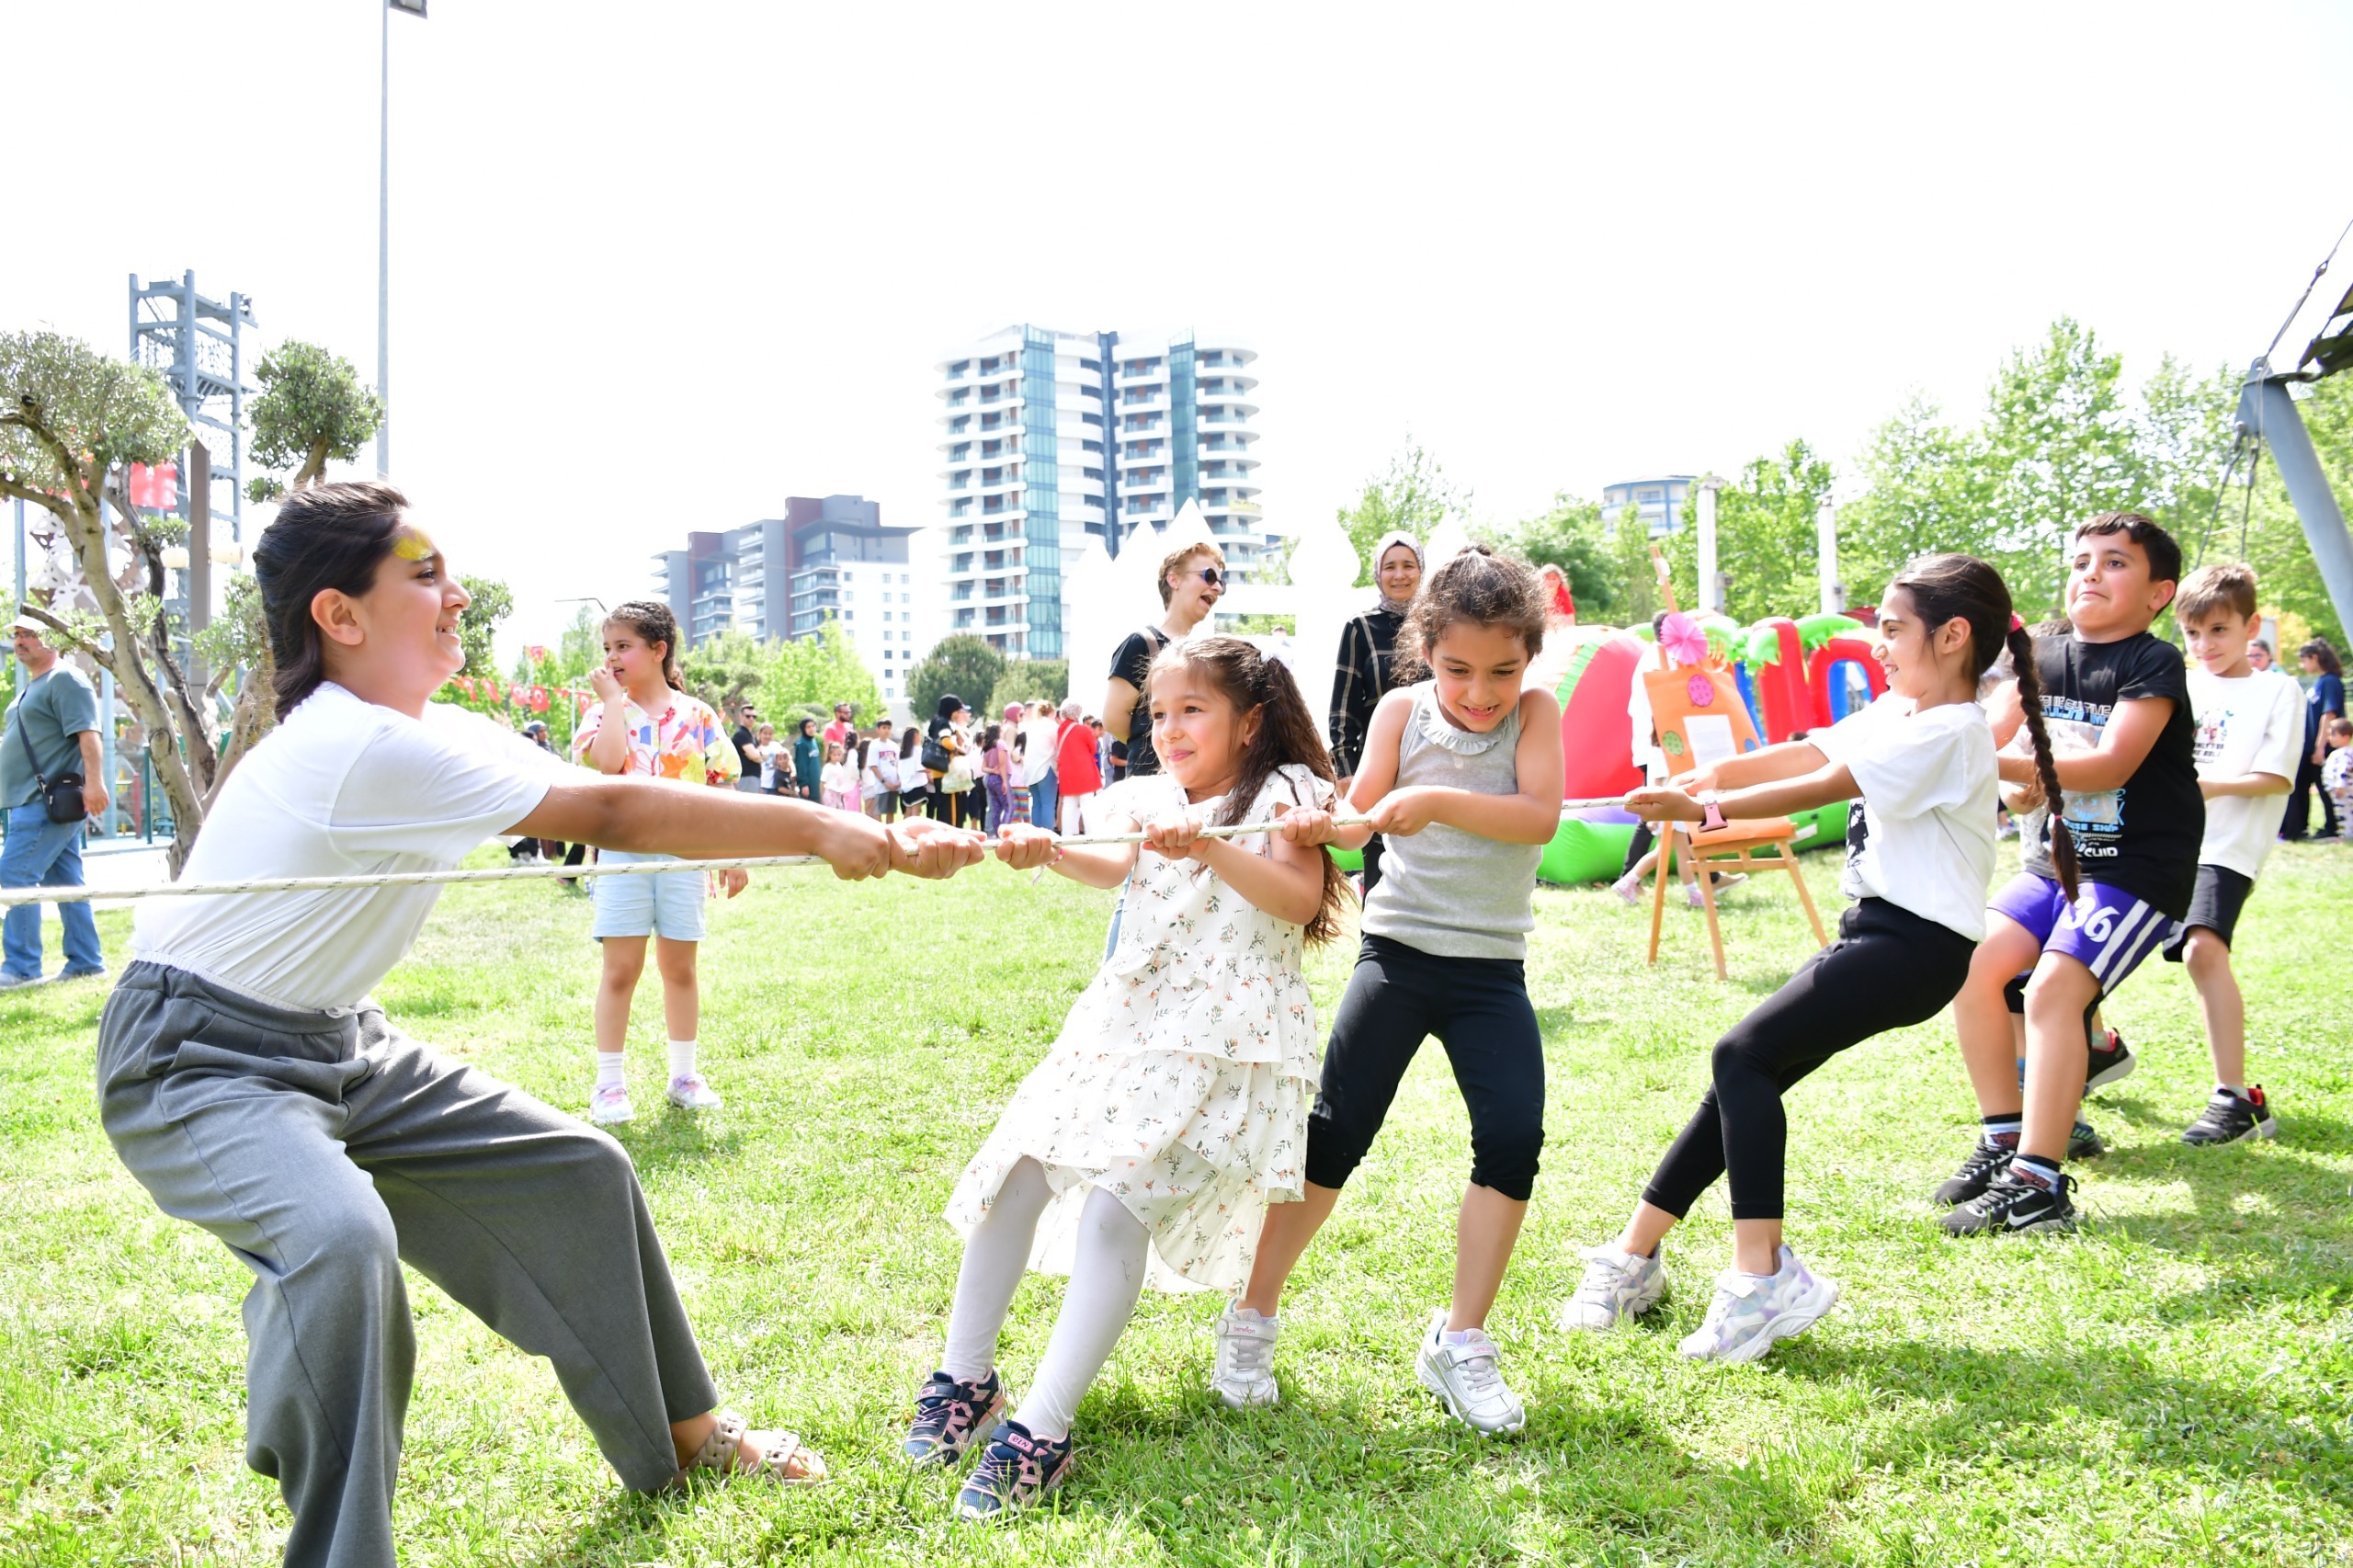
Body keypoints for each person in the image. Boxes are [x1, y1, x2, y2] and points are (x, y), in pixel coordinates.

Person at [97, 483, 985, 1568]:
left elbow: (619, 779)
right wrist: (822, 822)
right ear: (340, 615)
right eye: (424, 573)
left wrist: (825, 827)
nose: (458, 592)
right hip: (197, 1059)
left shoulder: (438, 730)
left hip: (338, 1042)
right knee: (337, 1242)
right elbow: (616, 814)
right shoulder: (352, 745)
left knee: (581, 1168)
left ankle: (685, 1434)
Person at [905, 636, 1345, 1519]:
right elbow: (1117, 859)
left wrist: (1209, 846)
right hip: (1123, 1022)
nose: (1172, 730)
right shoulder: (1145, 794)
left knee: (1117, 1206)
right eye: (1160, 714)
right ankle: (966, 1381)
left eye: (1194, 711)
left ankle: (1043, 1430)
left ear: (1250, 719)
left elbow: (1299, 902)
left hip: (1224, 1041)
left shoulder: (1286, 793)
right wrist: (1047, 850)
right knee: (1017, 1171)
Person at [1562, 555, 2029, 1358]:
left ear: (1953, 637)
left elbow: (1828, 784)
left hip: (1915, 946)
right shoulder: (1901, 711)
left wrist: (1704, 807)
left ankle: (1763, 1277)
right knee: (1745, 1074)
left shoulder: (1953, 730)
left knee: (1740, 1055)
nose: (1879, 644)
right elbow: (1803, 753)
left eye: (1892, 628)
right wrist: (1707, 770)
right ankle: (1635, 1256)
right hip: (1879, 934)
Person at [1233, 548, 1565, 1434]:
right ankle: (1252, 1314)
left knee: (1512, 1137)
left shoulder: (1536, 715)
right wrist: (1322, 823)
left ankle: (1461, 1339)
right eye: (1458, 670)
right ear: (1427, 651)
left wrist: (1439, 801)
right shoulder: (1399, 711)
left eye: (1503, 670)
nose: (1480, 693)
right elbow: (1356, 822)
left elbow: (1539, 816)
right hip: (1399, 957)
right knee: (1334, 1134)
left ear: (1530, 658)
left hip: (1491, 971)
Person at [1938, 512, 2201, 1236]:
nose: (2091, 572)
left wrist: (2000, 767)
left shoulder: (2154, 664)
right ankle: (2002, 1140)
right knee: (1972, 965)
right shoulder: (2041, 654)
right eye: (2082, 559)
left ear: (2158, 594)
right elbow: (1977, 732)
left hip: (2136, 872)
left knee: (2054, 988)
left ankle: (2039, 1182)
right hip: (2053, 868)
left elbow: (2111, 764)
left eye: (2116, 563)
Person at [575, 601, 745, 1126]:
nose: (613, 657)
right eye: (607, 648)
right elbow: (605, 765)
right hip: (621, 856)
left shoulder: (698, 716)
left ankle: (684, 1076)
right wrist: (609, 703)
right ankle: (609, 1084)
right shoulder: (603, 710)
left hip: (684, 858)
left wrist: (731, 855)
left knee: (680, 969)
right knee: (621, 969)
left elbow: (725, 787)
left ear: (658, 649)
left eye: (623, 646)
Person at [2158, 563, 2302, 1144]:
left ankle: (2236, 1098)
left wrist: (2209, 786)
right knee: (2080, 944)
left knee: (2202, 951)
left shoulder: (2278, 690)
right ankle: (2098, 1049)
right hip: (2163, 843)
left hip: (2225, 849)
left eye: (2218, 630)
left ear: (2252, 626)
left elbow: (2276, 778)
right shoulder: (2179, 684)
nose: (2204, 645)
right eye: (2193, 634)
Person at [2, 611, 109, 988]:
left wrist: (94, 785)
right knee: (68, 883)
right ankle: (86, 962)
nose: (19, 641)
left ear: (52, 640)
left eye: (28, 634)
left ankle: (20, 967)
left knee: (13, 877)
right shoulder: (35, 685)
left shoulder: (66, 678)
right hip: (32, 802)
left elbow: (88, 735)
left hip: (45, 802)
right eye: (16, 635)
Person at [1328, 531, 1422, 893]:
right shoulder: (1361, 628)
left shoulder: (1441, 626)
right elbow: (1343, 708)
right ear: (1378, 574)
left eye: (1408, 566)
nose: (1399, 575)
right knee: (1382, 876)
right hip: (1379, 770)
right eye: (1390, 567)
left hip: (1434, 763)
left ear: (1421, 570)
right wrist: (1346, 771)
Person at [1103, 540, 1226, 780]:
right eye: (1209, 576)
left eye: (1221, 582)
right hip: (1150, 783)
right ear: (1174, 580)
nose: (1218, 588)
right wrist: (1155, 746)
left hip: (1193, 783)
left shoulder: (1202, 652)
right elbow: (1113, 718)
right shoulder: (1141, 643)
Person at [2281, 637, 2346, 841]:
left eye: (2304, 660)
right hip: (2309, 747)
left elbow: (2330, 714)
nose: (2303, 665)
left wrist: (2320, 747)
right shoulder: (2321, 681)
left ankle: (2333, 827)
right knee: (2300, 787)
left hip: (2323, 747)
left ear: (2315, 657)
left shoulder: (2331, 681)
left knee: (2326, 788)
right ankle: (2299, 828)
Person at [1054, 697, 1100, 835]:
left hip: (1066, 772)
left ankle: (1068, 836)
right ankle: (1091, 835)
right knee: (1087, 805)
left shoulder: (1060, 730)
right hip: (1084, 772)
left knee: (1069, 805)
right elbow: (1093, 749)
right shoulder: (1083, 730)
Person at [1023, 699, 1061, 829]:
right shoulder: (1052, 726)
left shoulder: (1032, 725)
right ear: (1052, 712)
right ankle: (1048, 836)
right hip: (1046, 768)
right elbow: (1058, 746)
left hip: (1030, 770)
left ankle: (1036, 836)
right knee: (1048, 804)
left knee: (1036, 804)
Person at [981, 722, 1014, 835]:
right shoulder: (1001, 744)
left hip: (990, 778)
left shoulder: (987, 746)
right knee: (1009, 807)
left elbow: (984, 768)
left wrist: (992, 770)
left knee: (995, 808)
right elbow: (1002, 764)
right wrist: (1004, 781)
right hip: (1001, 778)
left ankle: (995, 832)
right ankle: (1004, 832)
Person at [865, 718, 901, 821]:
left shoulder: (894, 746)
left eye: (889, 728)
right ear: (878, 729)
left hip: (894, 784)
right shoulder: (875, 745)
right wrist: (885, 782)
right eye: (884, 728)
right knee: (879, 811)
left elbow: (898, 763)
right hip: (881, 785)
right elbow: (873, 766)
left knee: (891, 811)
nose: (886, 730)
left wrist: (898, 782)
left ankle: (890, 832)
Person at [898, 723, 930, 820]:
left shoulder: (903, 753)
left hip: (906, 786)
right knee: (916, 813)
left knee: (908, 812)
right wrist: (933, 770)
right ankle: (912, 833)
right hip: (917, 785)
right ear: (914, 736)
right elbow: (920, 768)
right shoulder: (918, 750)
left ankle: (902, 831)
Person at [2325, 715, 2353, 829]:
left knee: (2346, 813)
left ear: (2345, 737)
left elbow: (2343, 771)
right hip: (2339, 792)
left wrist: (2339, 786)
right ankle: (2344, 833)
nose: (2329, 738)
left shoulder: (2345, 754)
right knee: (2340, 813)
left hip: (2344, 792)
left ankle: (2348, 834)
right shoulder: (2338, 753)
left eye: (2333, 735)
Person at [730, 702, 765, 792]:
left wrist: (758, 754)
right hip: (745, 777)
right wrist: (758, 754)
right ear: (741, 716)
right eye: (748, 716)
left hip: (754, 777)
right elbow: (755, 756)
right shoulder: (741, 734)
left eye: (754, 716)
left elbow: (763, 757)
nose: (751, 719)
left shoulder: (751, 736)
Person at [821, 739, 858, 812]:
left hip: (838, 793)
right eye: (834, 755)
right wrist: (822, 797)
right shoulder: (828, 767)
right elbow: (822, 783)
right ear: (829, 755)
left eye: (839, 754)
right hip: (830, 794)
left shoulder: (839, 765)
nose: (837, 757)